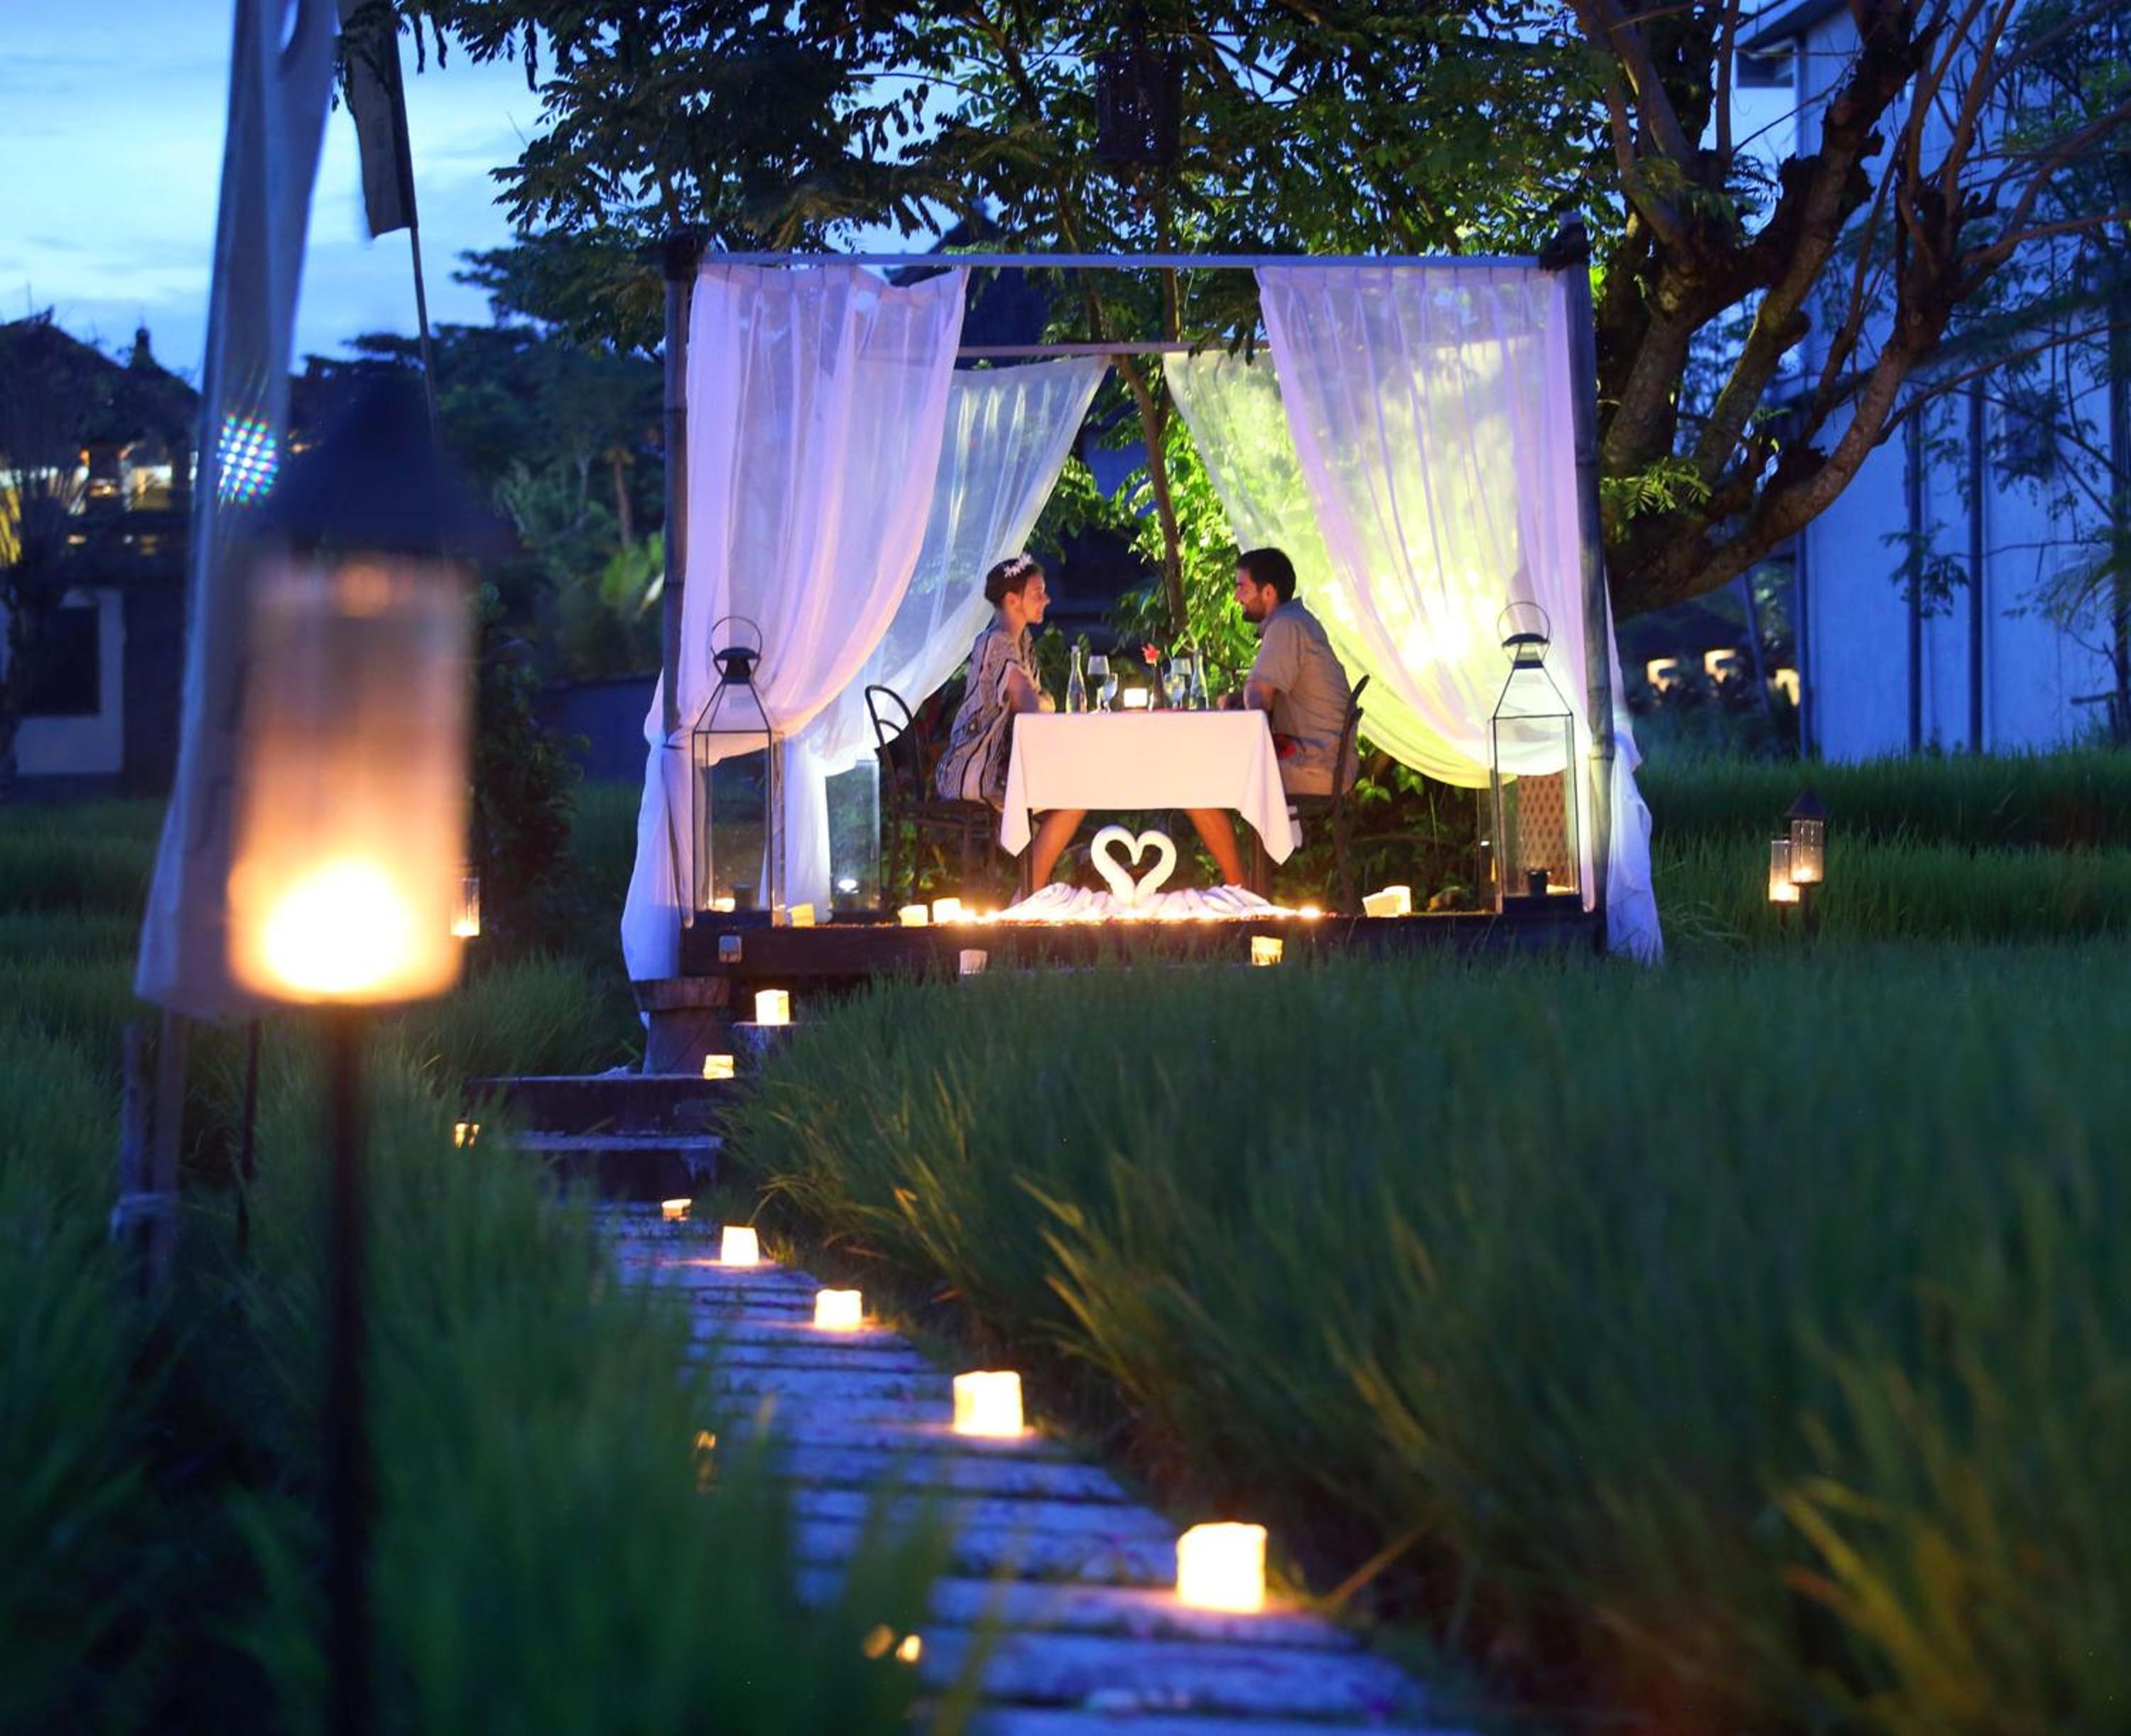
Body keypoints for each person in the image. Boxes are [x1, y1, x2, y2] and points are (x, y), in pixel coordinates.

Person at [1193, 546, 1355, 882]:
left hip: (1315, 765)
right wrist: (1239, 700)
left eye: (1242, 587)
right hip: (1323, 759)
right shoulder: (1296, 622)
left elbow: (1259, 697)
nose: (1236, 597)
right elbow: (1265, 697)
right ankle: (1243, 886)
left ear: (1268, 592)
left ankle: (1240, 888)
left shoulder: (1287, 627)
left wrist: (1241, 702)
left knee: (1195, 780)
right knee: (1204, 776)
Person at [934, 553, 1087, 886]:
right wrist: (1044, 704)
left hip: (1002, 766)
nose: (1047, 599)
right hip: (974, 768)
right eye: (1038, 593)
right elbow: (1031, 708)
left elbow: (1035, 705)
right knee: (1075, 795)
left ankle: (1030, 889)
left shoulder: (1022, 642)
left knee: (1076, 791)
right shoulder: (996, 643)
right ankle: (1030, 892)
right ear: (1012, 600)